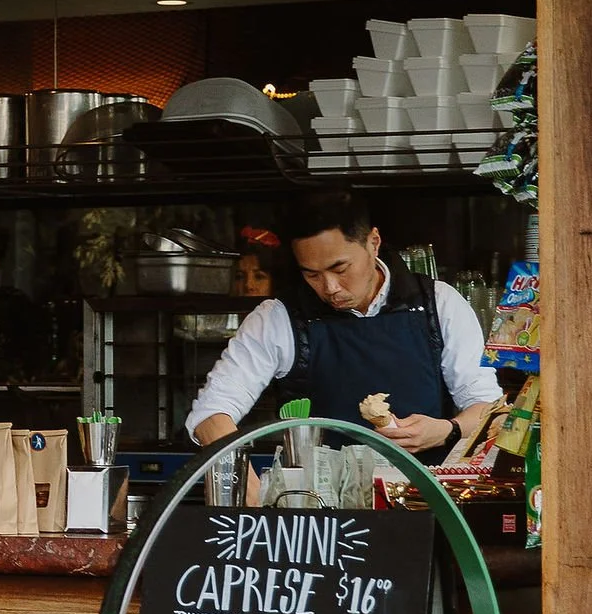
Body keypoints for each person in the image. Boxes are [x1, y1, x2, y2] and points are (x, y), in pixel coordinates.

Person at [190, 190, 498, 460]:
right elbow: (211, 414)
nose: (330, 287)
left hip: (426, 504)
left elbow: (489, 409)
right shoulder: (278, 318)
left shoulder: (438, 303)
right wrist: (244, 484)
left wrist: (447, 430)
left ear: (373, 243)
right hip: (319, 510)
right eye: (312, 274)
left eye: (340, 268)